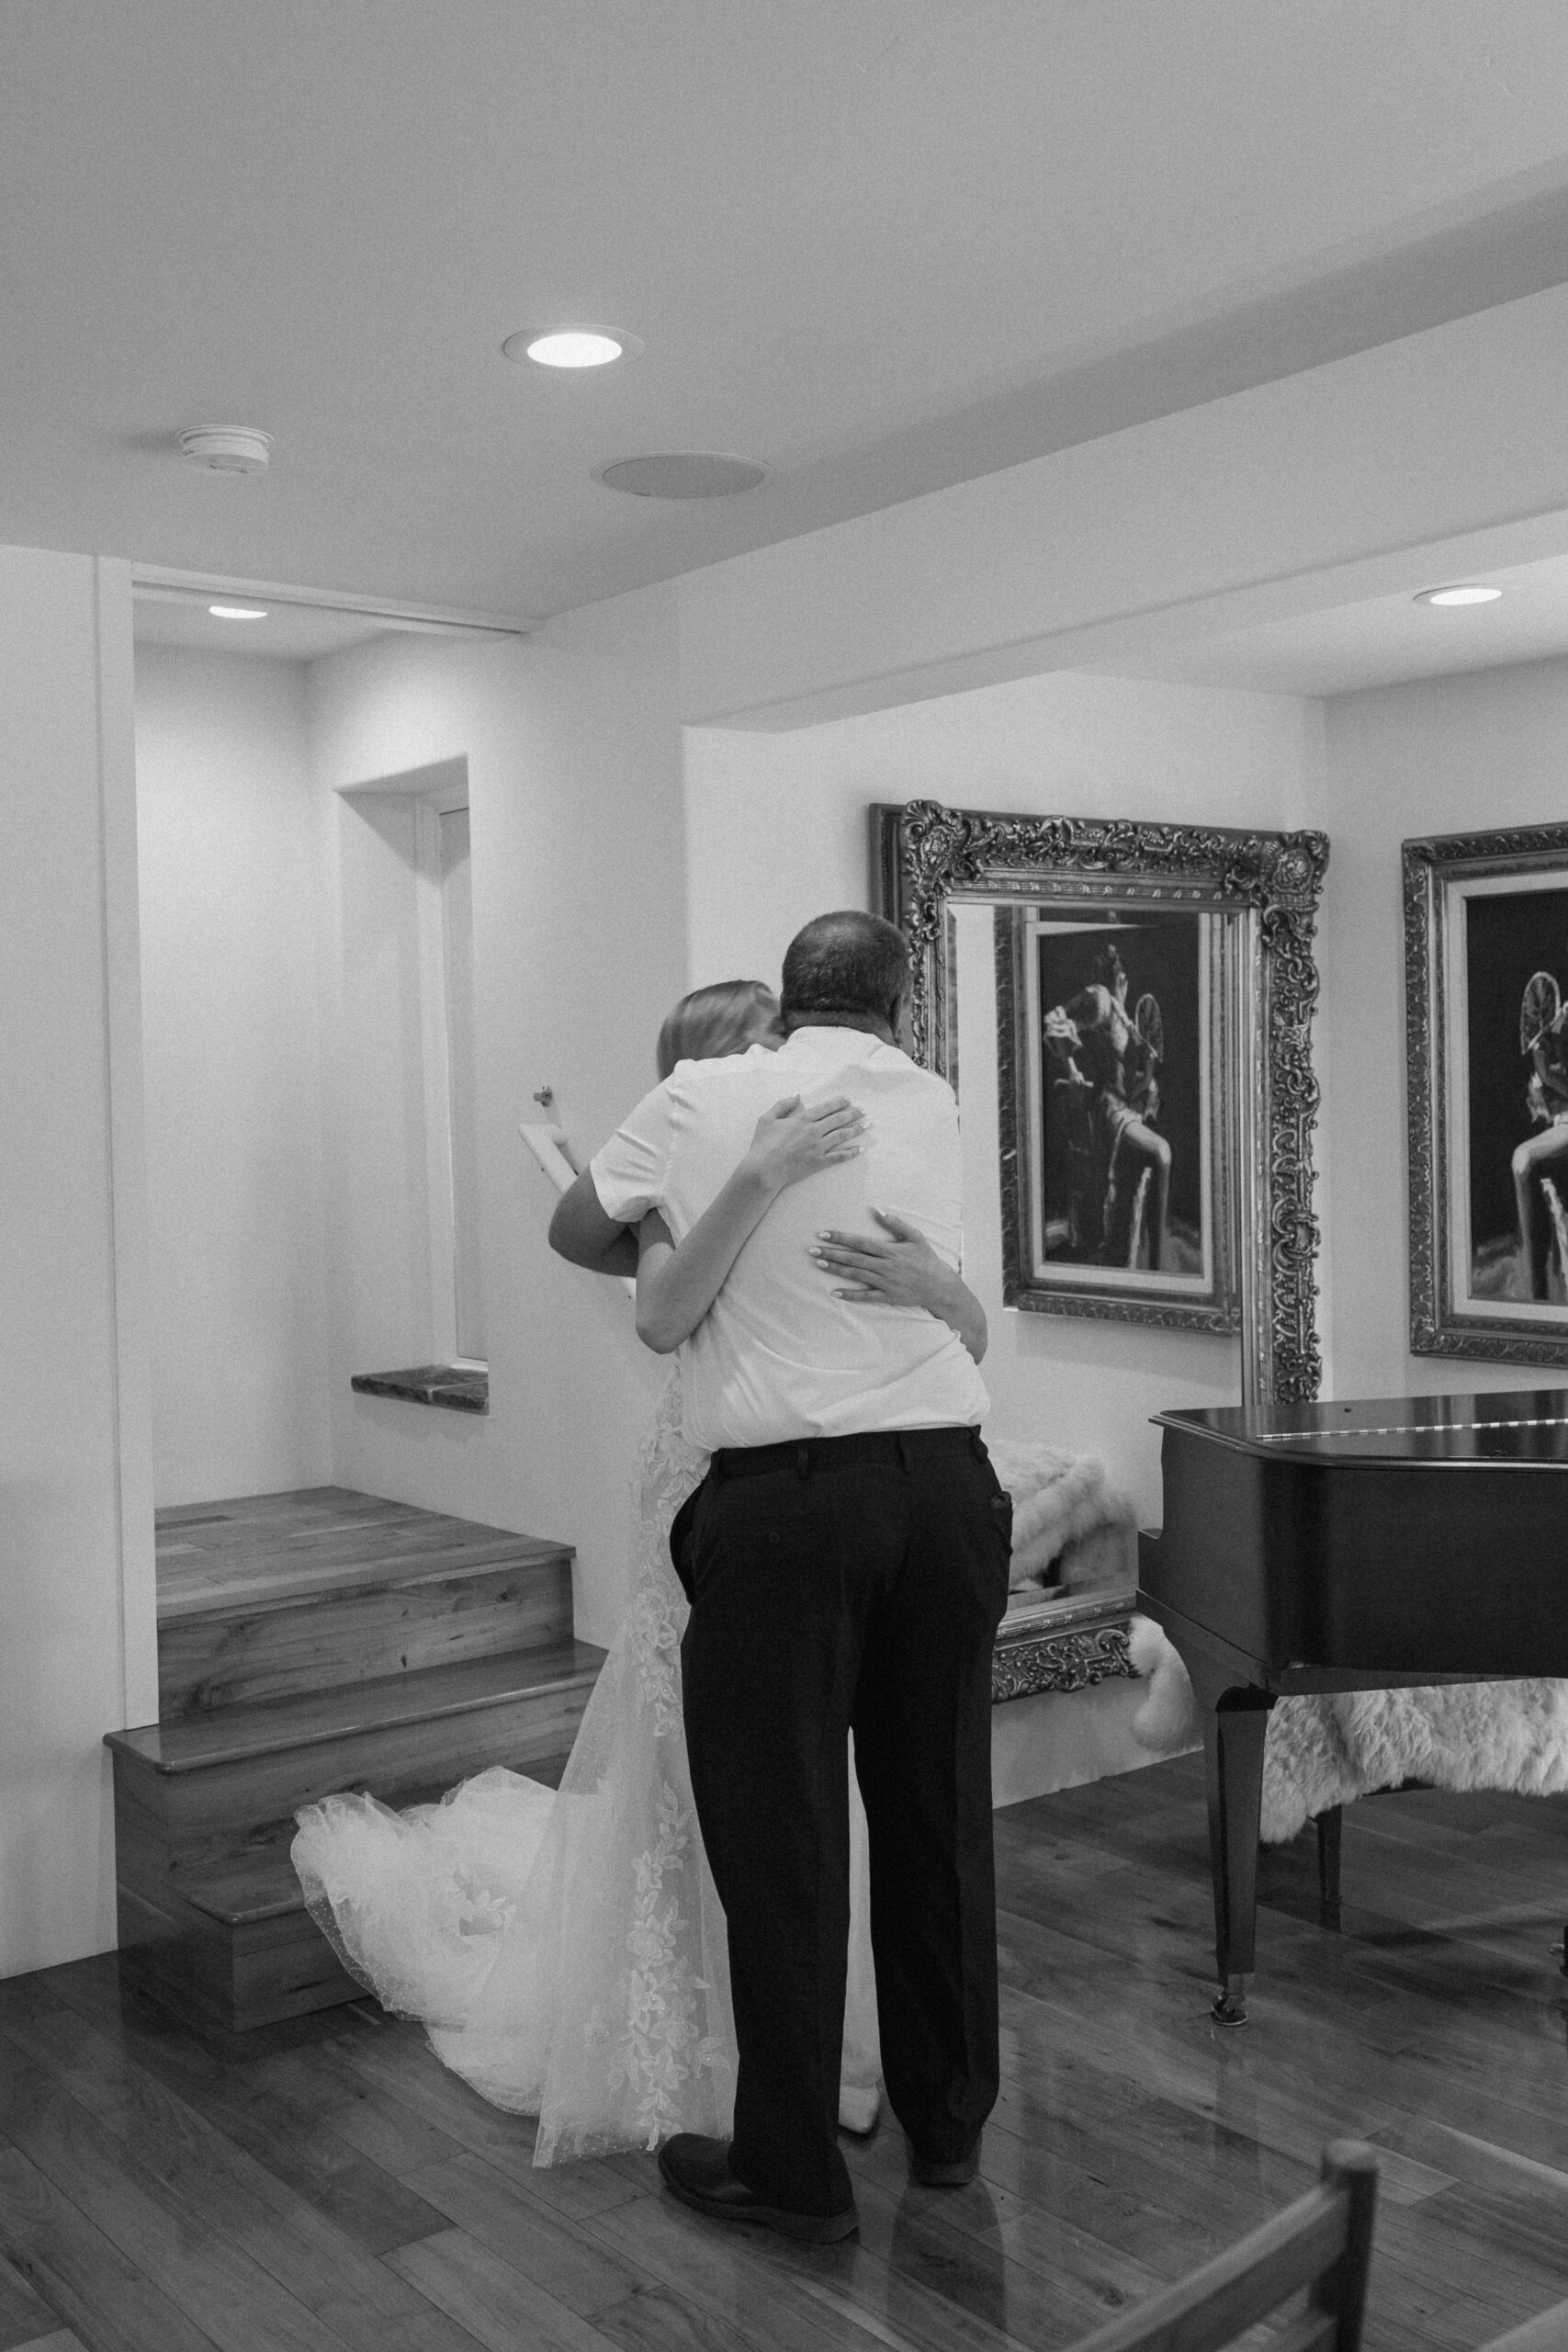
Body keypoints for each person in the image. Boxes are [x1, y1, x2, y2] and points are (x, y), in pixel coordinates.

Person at [293, 975, 985, 2165]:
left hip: (809, 1494)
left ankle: (836, 2074)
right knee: (732, 1806)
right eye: (752, 1049)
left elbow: (946, 1341)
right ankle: (744, 2070)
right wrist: (749, 1176)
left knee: (788, 1812)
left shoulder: (846, 1167)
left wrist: (940, 1291)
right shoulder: (689, 1184)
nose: (775, 1066)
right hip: (719, 1500)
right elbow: (663, 1311)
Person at [555, 911, 1010, 2245]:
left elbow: (577, 1222)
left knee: (785, 1841)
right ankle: (946, 2127)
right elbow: (951, 1290)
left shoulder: (701, 1094)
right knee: (938, 1816)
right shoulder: (933, 1098)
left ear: (788, 999)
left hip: (793, 1514)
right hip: (945, 1488)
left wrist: (671, 1211)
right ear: (898, 1001)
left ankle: (794, 2170)